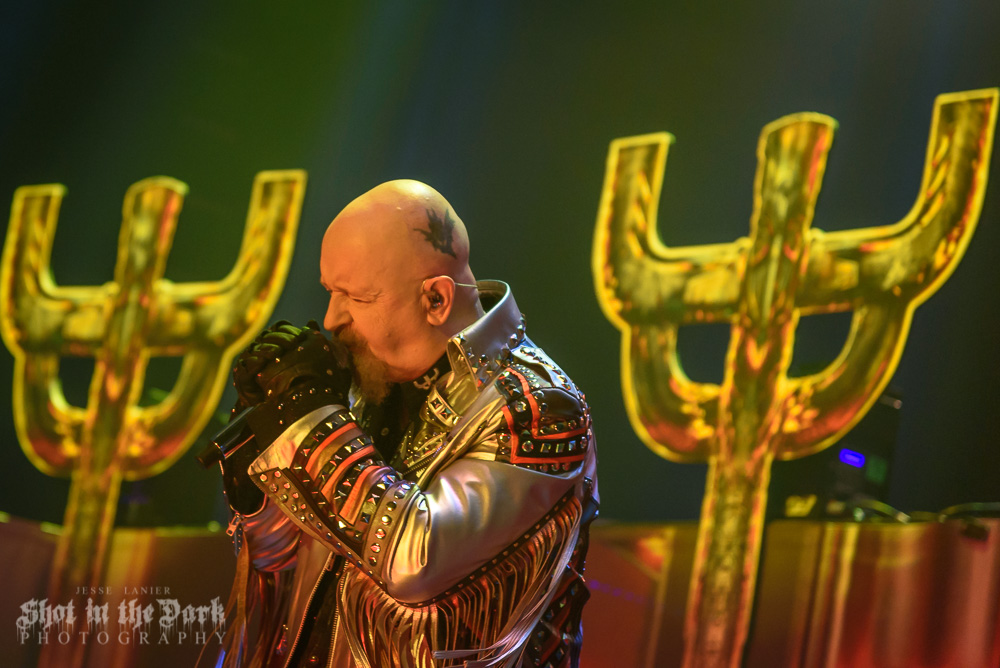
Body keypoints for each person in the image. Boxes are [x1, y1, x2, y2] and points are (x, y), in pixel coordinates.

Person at [213, 180, 599, 668]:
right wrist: (258, 465)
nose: (330, 319)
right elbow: (282, 560)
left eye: (356, 297)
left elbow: (416, 561)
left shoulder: (538, 408)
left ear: (436, 299)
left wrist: (310, 424)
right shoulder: (370, 381)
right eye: (330, 292)